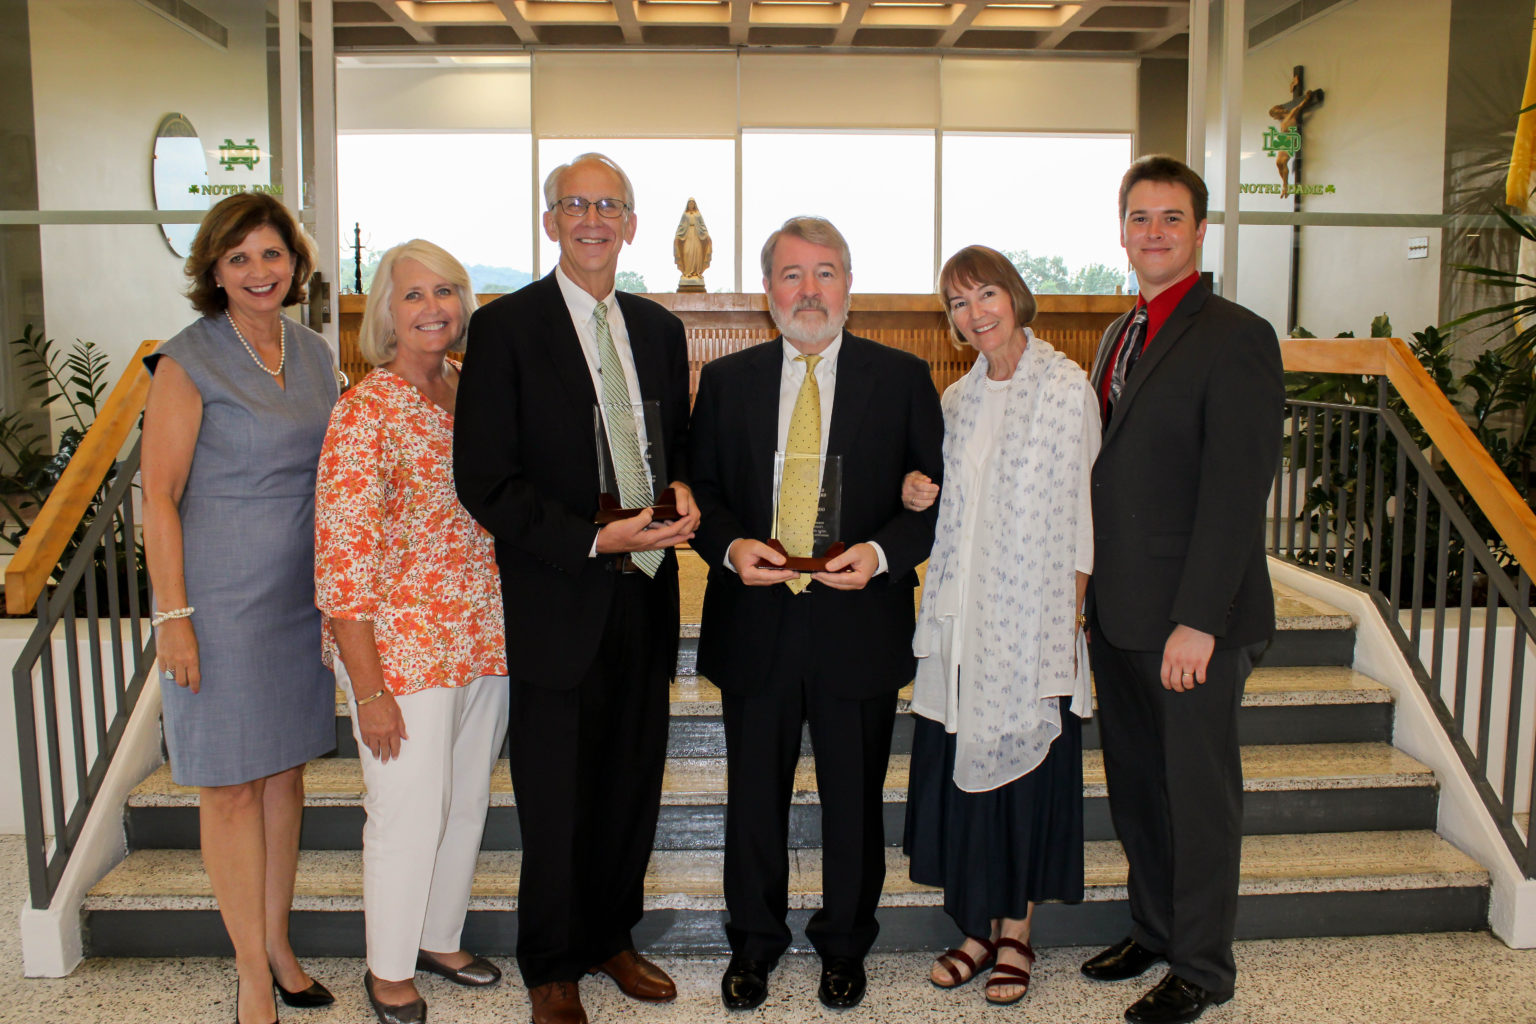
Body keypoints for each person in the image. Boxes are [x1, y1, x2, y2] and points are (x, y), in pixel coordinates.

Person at [453, 153, 698, 1024]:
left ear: (632, 224)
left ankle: (610, 937)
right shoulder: (506, 328)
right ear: (551, 221)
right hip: (560, 594)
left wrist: (687, 492)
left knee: (631, 782)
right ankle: (551, 962)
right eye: (575, 204)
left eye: (610, 205)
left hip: (647, 591)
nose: (593, 218)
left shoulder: (660, 331)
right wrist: (593, 538)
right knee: (555, 795)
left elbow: (679, 448)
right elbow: (486, 481)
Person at [689, 216, 944, 1012]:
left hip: (856, 623)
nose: (809, 290)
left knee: (854, 800)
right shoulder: (727, 383)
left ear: (849, 286)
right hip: (756, 622)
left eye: (825, 272)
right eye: (792, 275)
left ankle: (844, 946)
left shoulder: (901, 378)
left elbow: (933, 501)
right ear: (768, 293)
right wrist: (732, 550)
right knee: (752, 800)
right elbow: (704, 497)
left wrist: (881, 554)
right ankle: (755, 946)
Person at [1080, 156, 1284, 1024]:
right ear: (1121, 230)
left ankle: (1201, 967)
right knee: (1137, 785)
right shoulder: (1118, 332)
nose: (1153, 232)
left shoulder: (1236, 333)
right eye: (1139, 218)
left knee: (1197, 799)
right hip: (1121, 614)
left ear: (1200, 232)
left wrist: (1199, 621)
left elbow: (1237, 491)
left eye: (1171, 218)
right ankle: (1155, 929)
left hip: (1192, 621)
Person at [141, 191, 339, 1024]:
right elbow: (158, 498)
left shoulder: (318, 353)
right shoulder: (187, 360)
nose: (260, 272)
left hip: (298, 600)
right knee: (228, 789)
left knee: (284, 780)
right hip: (219, 606)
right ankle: (250, 976)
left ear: (294, 262)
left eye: (273, 254)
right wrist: (173, 617)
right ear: (213, 272)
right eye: (240, 258)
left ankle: (280, 945)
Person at [314, 240, 509, 1024]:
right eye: (415, 294)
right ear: (386, 314)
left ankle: (439, 935)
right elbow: (343, 556)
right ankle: (389, 967)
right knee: (405, 810)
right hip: (403, 651)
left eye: (448, 292)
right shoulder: (365, 409)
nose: (434, 308)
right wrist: (368, 687)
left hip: (483, 639)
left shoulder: (471, 389)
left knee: (464, 802)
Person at [899, 245, 1100, 1006]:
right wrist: (919, 492)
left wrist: (1068, 626)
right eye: (958, 303)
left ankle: (1016, 934)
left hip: (1032, 625)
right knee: (966, 784)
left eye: (985, 294)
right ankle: (977, 930)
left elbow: (1083, 518)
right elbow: (947, 500)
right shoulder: (958, 402)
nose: (975, 313)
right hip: (966, 624)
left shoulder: (1065, 388)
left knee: (1023, 783)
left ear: (1013, 296)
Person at [674, 197, 712, 282]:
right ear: (688, 205)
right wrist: (677, 236)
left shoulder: (698, 215)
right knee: (688, 252)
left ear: (694, 204)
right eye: (690, 203)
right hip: (687, 235)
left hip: (697, 235)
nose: (691, 205)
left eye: (692, 203)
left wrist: (706, 235)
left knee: (697, 253)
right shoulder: (685, 215)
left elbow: (703, 226)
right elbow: (681, 226)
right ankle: (687, 272)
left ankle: (696, 273)